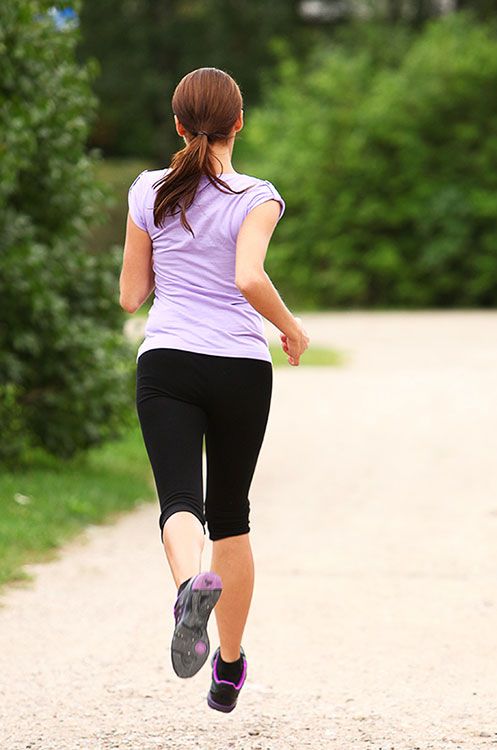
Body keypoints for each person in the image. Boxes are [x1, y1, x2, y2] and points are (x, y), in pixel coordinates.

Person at [119, 67, 309, 713]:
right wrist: (290, 328)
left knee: (179, 499)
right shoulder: (258, 196)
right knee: (231, 514)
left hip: (167, 360)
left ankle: (185, 591)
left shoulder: (147, 190)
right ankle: (227, 667)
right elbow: (249, 277)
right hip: (237, 367)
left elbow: (129, 296)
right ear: (239, 123)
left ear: (177, 124)